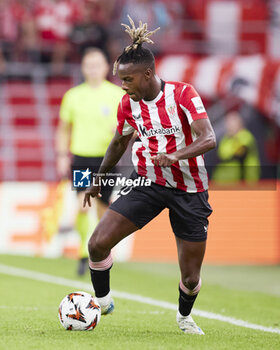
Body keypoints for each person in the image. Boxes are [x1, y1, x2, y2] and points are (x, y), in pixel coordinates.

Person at [83, 17, 216, 335]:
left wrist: (175, 156)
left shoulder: (183, 95)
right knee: (97, 244)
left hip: (190, 189)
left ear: (148, 74)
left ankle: (184, 316)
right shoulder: (128, 104)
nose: (123, 86)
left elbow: (209, 138)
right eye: (121, 80)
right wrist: (99, 178)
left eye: (127, 79)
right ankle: (102, 302)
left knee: (191, 277)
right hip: (148, 182)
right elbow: (119, 141)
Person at [56, 47, 124, 275]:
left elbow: (132, 129)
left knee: (104, 209)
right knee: (83, 204)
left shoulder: (117, 95)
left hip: (107, 158)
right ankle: (85, 253)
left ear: (106, 67)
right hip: (82, 158)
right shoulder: (73, 96)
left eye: (97, 65)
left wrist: (121, 132)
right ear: (83, 68)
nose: (93, 69)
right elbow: (63, 129)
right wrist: (62, 155)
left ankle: (101, 251)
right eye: (89, 65)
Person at [212, 111, 260, 184]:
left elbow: (240, 153)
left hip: (244, 182)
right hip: (223, 181)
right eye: (227, 123)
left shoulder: (245, 136)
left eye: (231, 123)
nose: (229, 126)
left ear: (239, 124)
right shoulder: (225, 139)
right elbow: (220, 156)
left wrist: (227, 158)